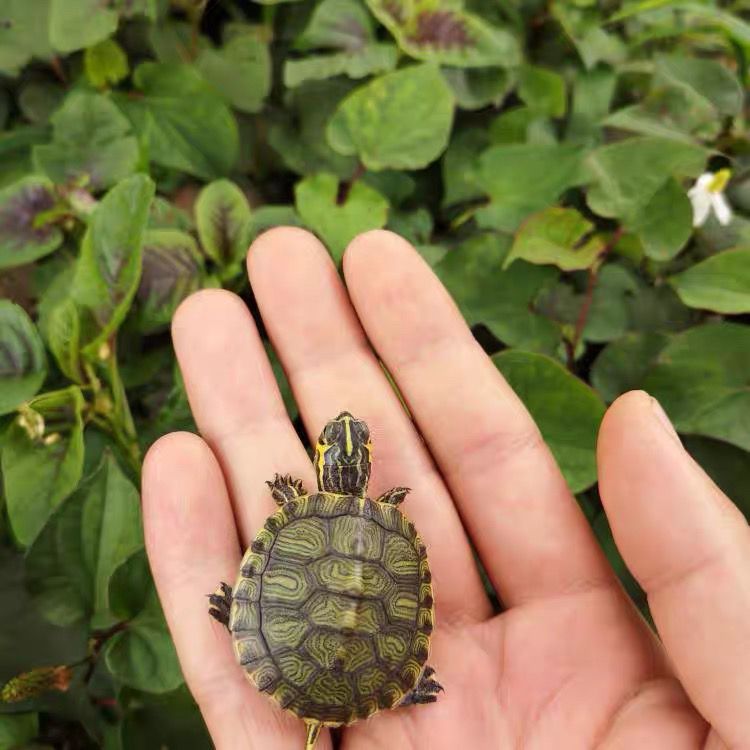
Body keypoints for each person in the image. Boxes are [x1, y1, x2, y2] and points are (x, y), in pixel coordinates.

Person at [142, 228, 749, 749]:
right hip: (362, 664)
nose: (342, 438)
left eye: (335, 440)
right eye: (341, 439)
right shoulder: (393, 524)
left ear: (324, 460)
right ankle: (383, 682)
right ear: (352, 462)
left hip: (288, 649)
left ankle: (247, 622)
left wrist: (252, 607)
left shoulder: (301, 510)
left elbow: (290, 533)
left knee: (301, 593)